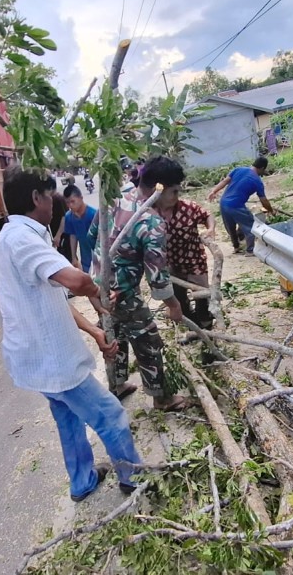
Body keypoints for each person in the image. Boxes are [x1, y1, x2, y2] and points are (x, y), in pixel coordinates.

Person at [0, 165, 141, 502]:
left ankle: (82, 481)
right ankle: (133, 478)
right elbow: (76, 281)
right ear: (36, 197)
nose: (53, 202)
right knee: (111, 414)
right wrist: (102, 291)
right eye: (49, 195)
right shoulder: (21, 239)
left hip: (36, 358)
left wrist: (94, 330)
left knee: (68, 418)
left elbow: (55, 300)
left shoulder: (18, 236)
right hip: (51, 359)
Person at [88, 156, 189, 411]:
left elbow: (92, 235)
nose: (177, 197)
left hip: (97, 286)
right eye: (175, 191)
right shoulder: (151, 223)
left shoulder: (115, 196)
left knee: (114, 334)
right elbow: (158, 279)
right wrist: (174, 305)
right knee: (148, 339)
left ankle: (117, 385)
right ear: (160, 188)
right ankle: (162, 398)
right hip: (122, 293)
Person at [154, 181, 216, 329]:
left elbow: (208, 215)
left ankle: (207, 332)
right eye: (173, 192)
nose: (177, 196)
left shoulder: (188, 207)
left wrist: (211, 228)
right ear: (161, 193)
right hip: (171, 265)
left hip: (194, 261)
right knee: (179, 301)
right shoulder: (151, 212)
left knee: (203, 299)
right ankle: (194, 330)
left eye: (178, 192)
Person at [207, 157, 274, 255]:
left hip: (223, 203)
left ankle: (236, 247)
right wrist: (271, 210)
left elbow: (225, 181)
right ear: (262, 168)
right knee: (251, 225)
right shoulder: (257, 181)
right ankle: (250, 250)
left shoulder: (238, 170)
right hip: (236, 205)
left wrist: (213, 191)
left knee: (231, 228)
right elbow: (264, 200)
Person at [63, 184, 97, 273]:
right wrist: (74, 257)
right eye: (67, 202)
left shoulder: (94, 215)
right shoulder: (69, 217)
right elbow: (73, 236)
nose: (70, 205)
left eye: (72, 201)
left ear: (81, 198)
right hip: (85, 259)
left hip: (98, 257)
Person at [49, 190, 72, 261]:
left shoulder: (58, 199)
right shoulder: (49, 199)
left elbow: (64, 217)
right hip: (54, 233)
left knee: (68, 258)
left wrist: (58, 236)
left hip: (63, 234)